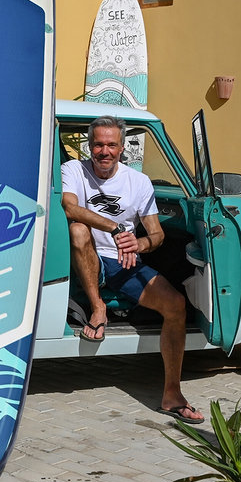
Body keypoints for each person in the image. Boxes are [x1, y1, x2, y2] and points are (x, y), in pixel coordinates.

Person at [60, 116, 204, 425]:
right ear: (89, 145)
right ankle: (98, 307)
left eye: (111, 145)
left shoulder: (138, 182)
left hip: (121, 262)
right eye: (98, 144)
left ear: (122, 148)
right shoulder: (74, 170)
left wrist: (138, 245)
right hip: (83, 257)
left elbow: (158, 235)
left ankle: (172, 394)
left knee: (176, 305)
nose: (104, 151)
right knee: (78, 230)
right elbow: (70, 207)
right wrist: (115, 229)